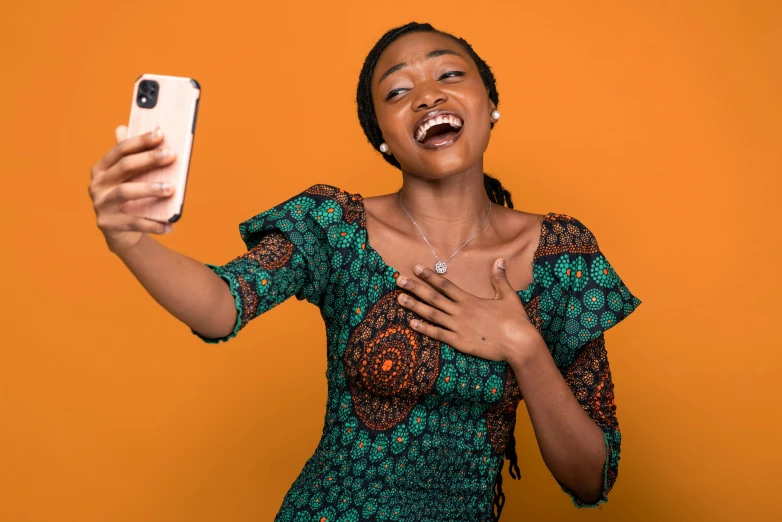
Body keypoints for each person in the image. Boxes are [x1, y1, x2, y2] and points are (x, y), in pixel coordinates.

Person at [88, 21, 642, 522]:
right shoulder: (337, 227)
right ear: (381, 136)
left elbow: (590, 479)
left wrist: (524, 346)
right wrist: (129, 241)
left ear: (490, 102)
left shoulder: (560, 256)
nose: (428, 95)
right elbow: (221, 306)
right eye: (398, 92)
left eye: (449, 73)